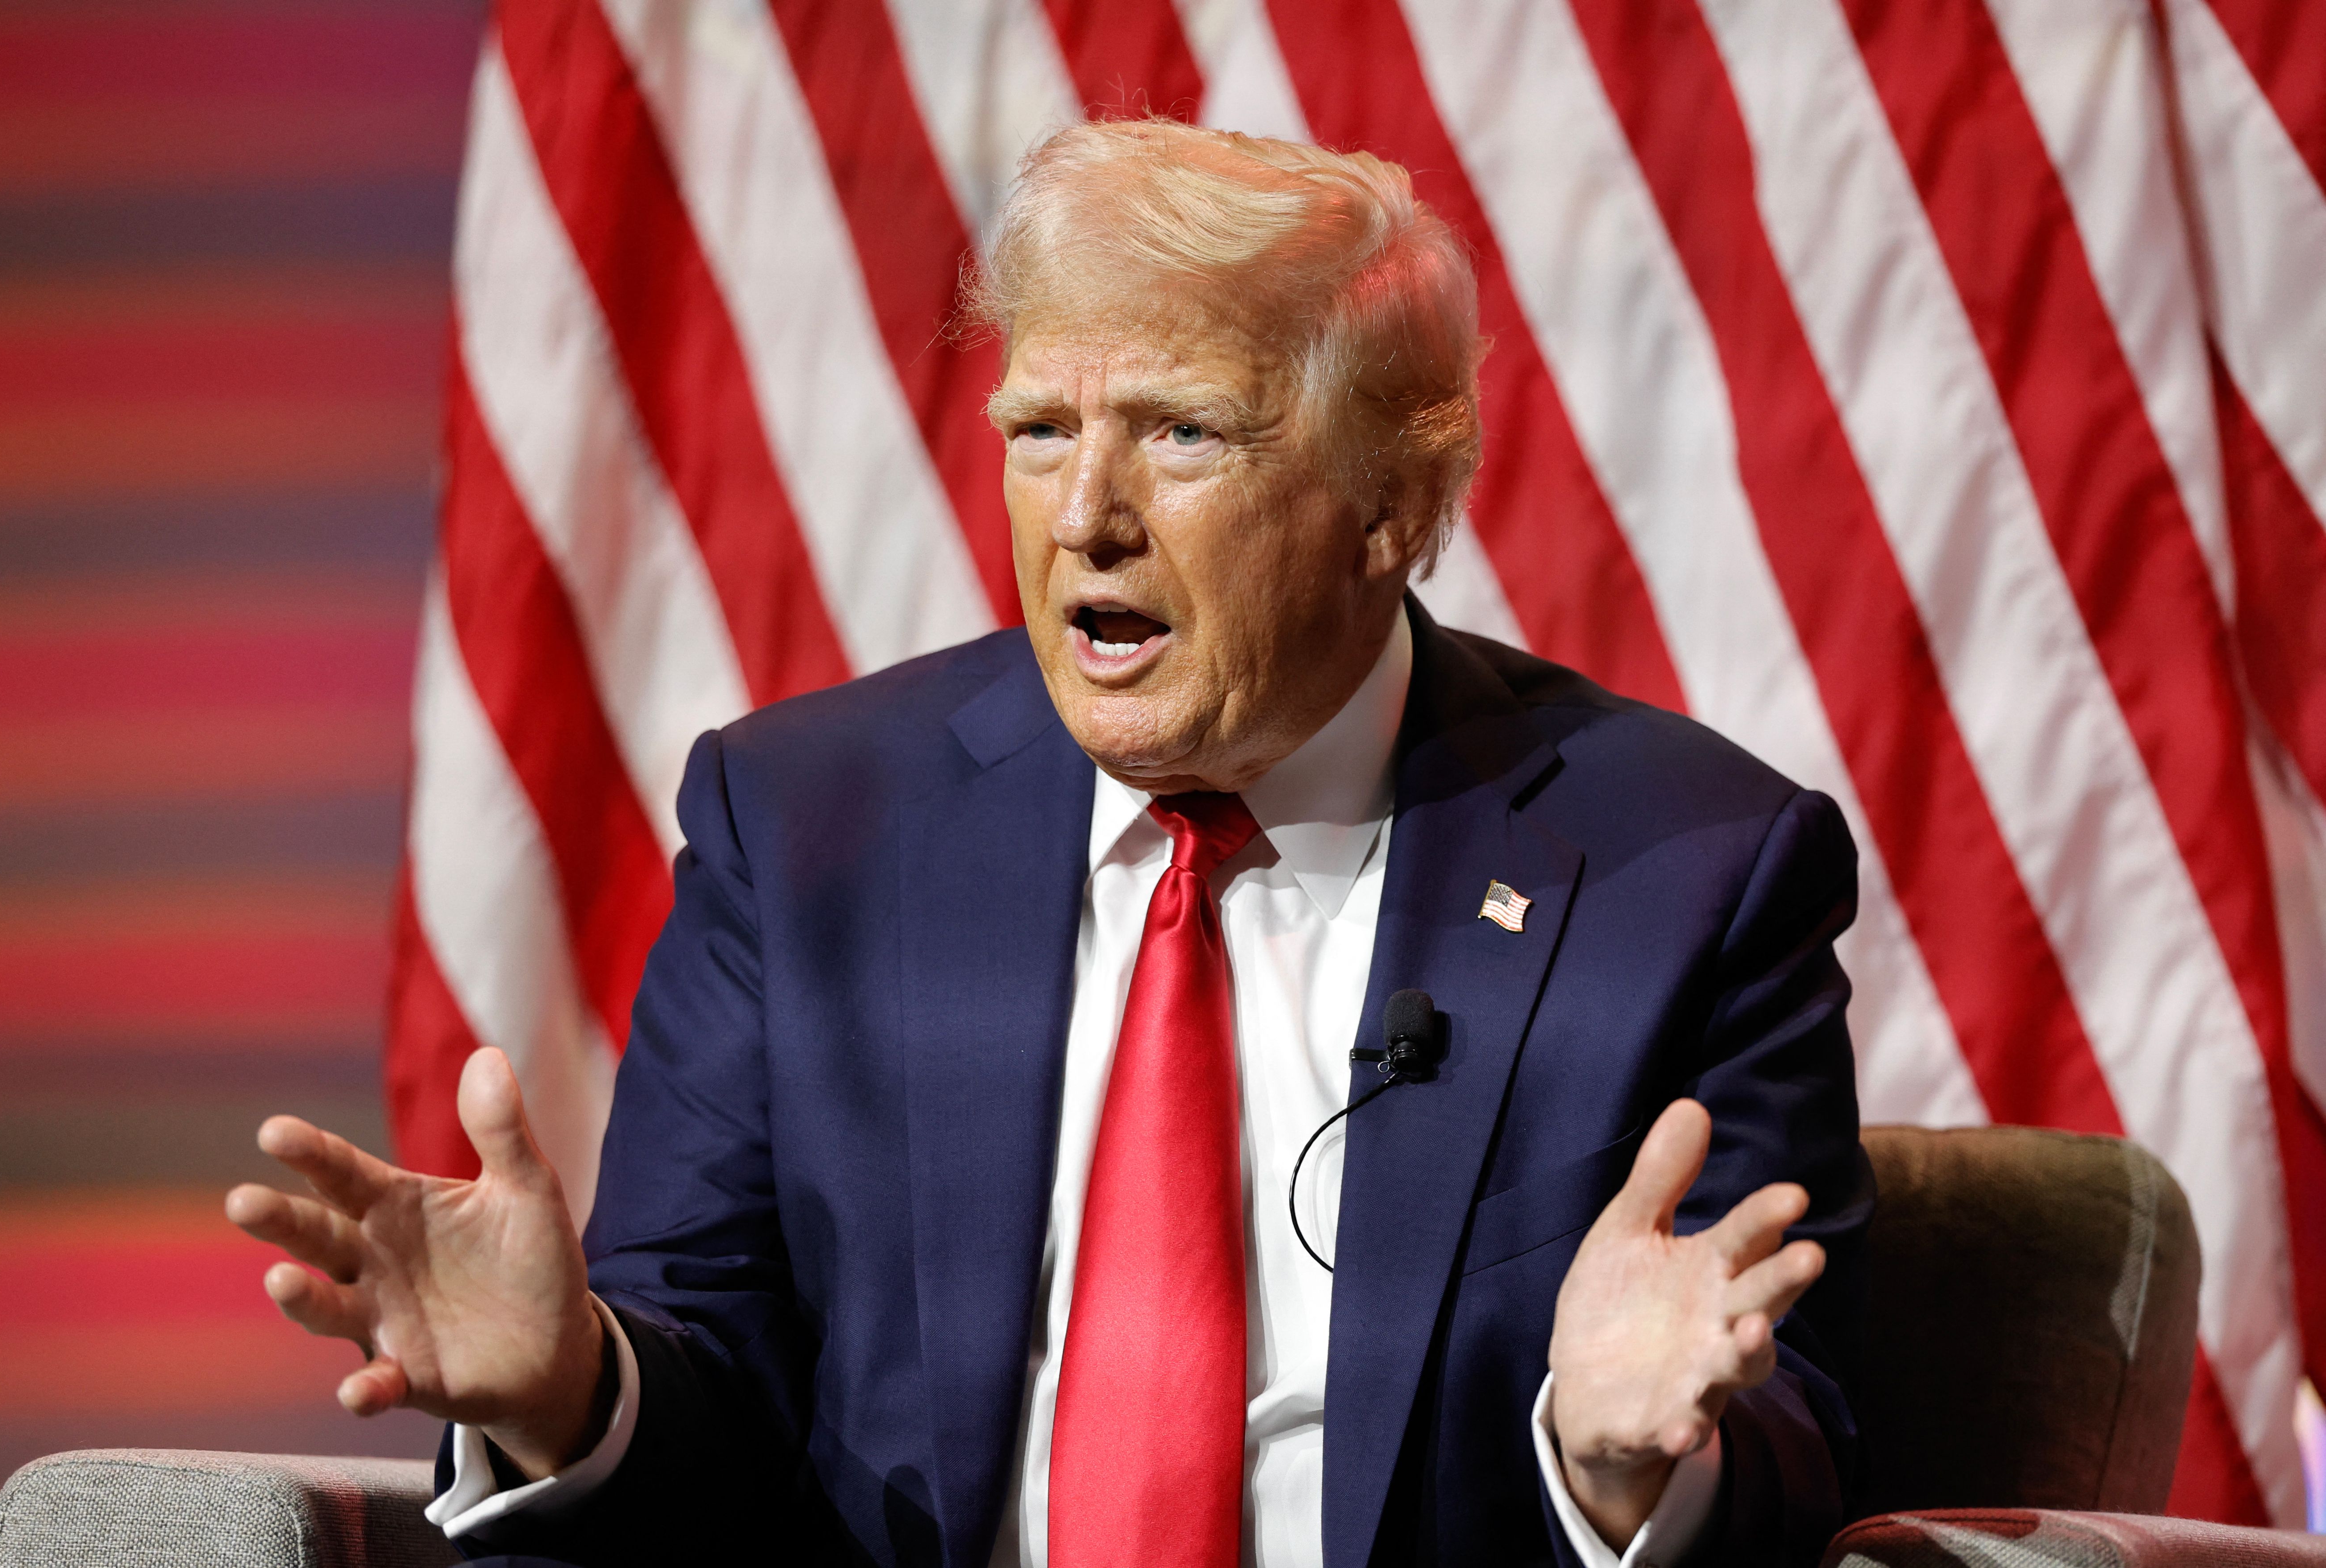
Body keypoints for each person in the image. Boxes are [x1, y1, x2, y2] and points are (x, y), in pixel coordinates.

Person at [228, 119, 1871, 1568]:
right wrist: (573, 1387)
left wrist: (1622, 1463)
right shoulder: (808, 828)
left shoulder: (1683, 872)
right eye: (1037, 431)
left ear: (1390, 498)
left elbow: (1807, 1444)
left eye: (1182, 433)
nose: (1083, 514)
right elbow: (711, 1398)